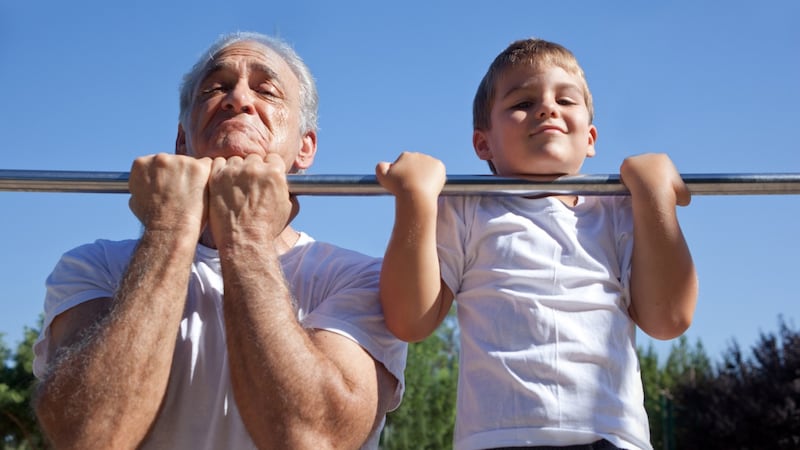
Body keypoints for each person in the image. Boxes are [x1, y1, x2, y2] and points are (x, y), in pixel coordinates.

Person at [32, 31, 406, 450]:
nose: (237, 99)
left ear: (305, 148)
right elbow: (89, 436)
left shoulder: (360, 277)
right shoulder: (95, 266)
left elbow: (311, 439)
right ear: (181, 139)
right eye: (215, 88)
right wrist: (167, 229)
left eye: (266, 90)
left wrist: (245, 237)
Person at [375, 38, 698, 450]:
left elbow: (669, 318)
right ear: (483, 143)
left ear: (591, 138)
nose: (547, 108)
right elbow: (409, 320)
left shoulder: (617, 209)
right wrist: (415, 201)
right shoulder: (470, 209)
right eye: (522, 103)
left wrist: (656, 199)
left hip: (611, 437)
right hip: (497, 440)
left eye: (566, 99)